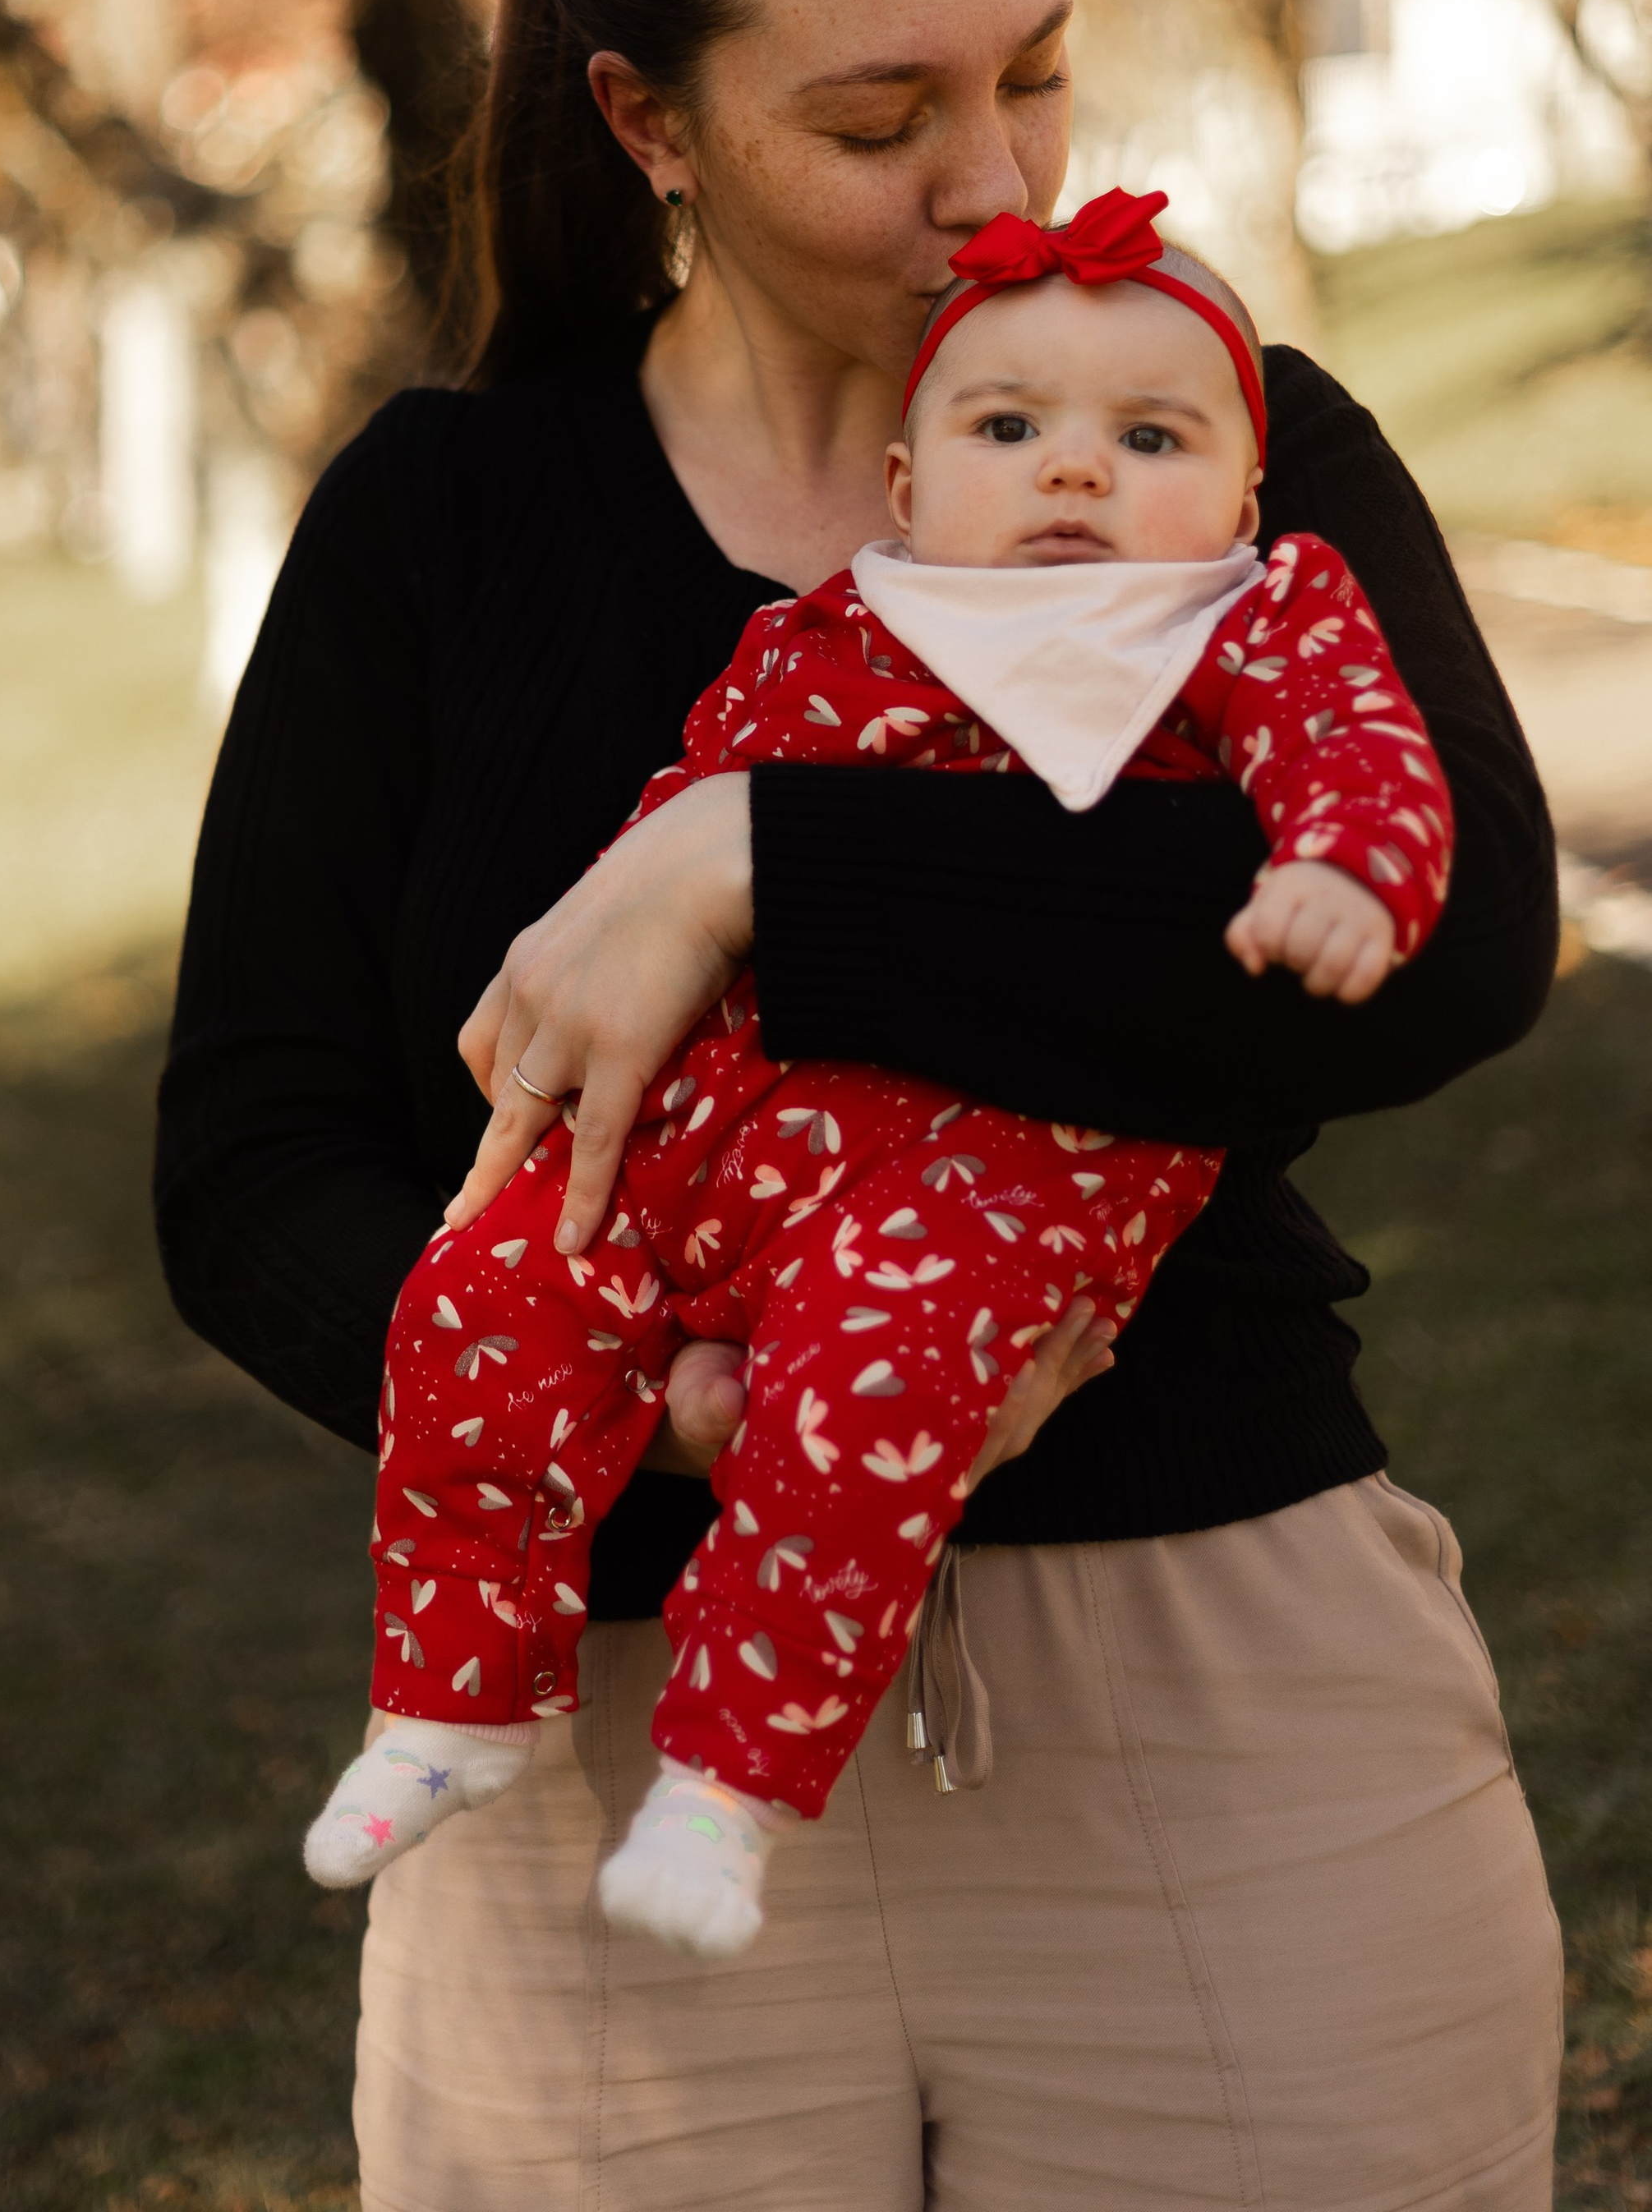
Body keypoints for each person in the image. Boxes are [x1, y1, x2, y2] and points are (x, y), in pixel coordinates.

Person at [157, 0, 1563, 2207]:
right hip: (601, 1773)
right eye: (880, 119)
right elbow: (252, 1165)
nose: (996, 180)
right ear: (651, 122)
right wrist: (651, 1415)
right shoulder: (448, 524)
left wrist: (758, 861)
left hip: (1219, 1710)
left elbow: (1450, 942)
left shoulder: (1218, 442)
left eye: (1036, 74)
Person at [301, 191, 1453, 1963]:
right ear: (907, 491)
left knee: (867, 1384)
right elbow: (660, 856)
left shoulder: (1240, 625)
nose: (1075, 470)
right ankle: (450, 1698)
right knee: (486, 1292)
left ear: (1243, 499)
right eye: (1009, 429)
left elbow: (1363, 750)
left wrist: (1345, 871)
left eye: (1150, 441)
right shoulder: (835, 630)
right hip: (714, 1138)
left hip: (1003, 1169)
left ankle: (727, 1782)